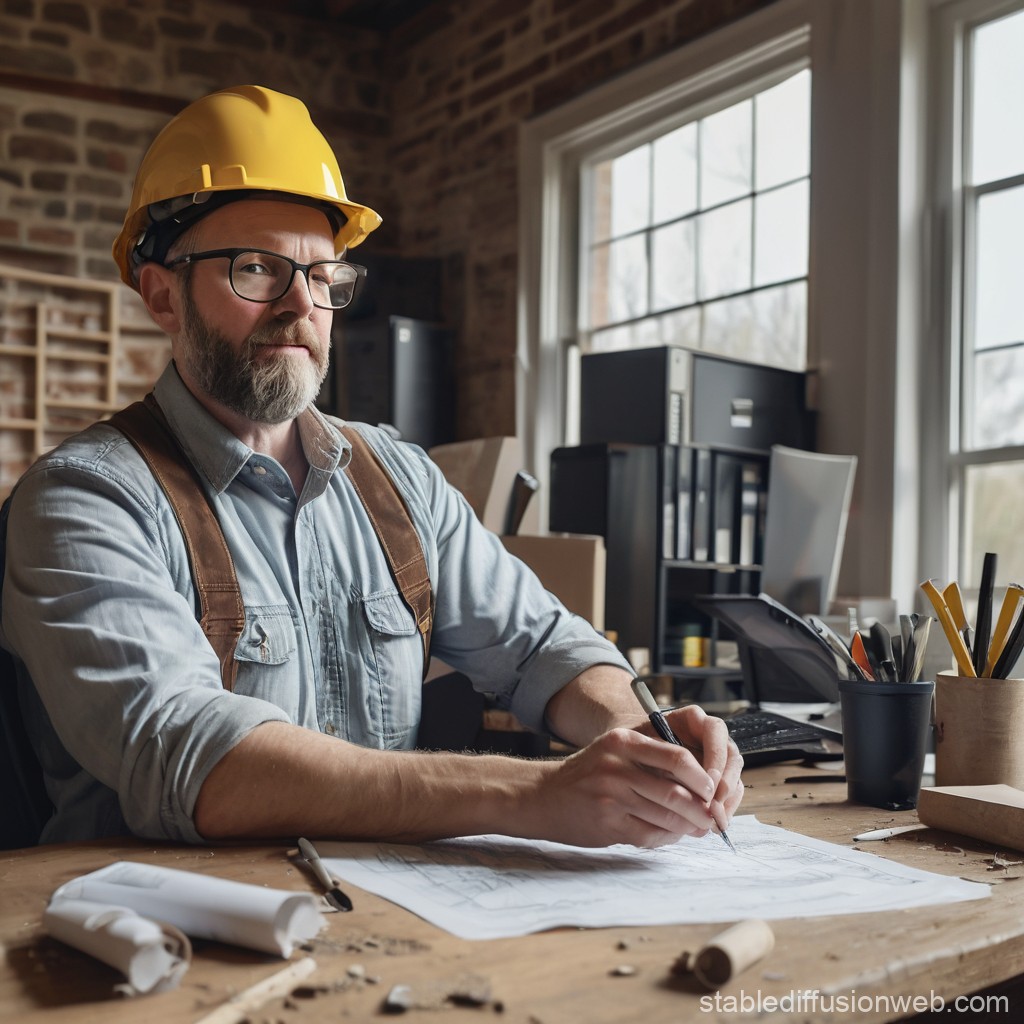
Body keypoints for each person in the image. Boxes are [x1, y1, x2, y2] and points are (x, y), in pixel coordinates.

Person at [0, 85, 742, 849]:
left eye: (321, 276)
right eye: (256, 268)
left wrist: (641, 736)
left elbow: (545, 647)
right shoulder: (84, 499)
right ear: (163, 295)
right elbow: (196, 758)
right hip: (159, 942)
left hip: (382, 924)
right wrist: (534, 793)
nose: (299, 305)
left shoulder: (397, 479)